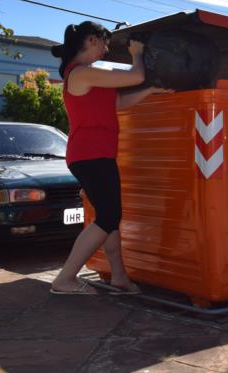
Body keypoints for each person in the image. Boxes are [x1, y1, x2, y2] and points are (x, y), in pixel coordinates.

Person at [49, 21, 169, 295]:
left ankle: (119, 277)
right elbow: (137, 75)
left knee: (109, 218)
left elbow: (118, 104)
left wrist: (150, 91)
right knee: (108, 216)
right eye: (104, 43)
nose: (106, 50)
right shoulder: (81, 74)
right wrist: (136, 52)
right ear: (92, 40)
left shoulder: (91, 77)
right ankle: (65, 278)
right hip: (91, 154)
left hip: (94, 154)